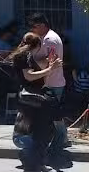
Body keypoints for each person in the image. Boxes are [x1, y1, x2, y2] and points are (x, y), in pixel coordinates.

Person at [9, 32, 63, 172]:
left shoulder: (27, 56)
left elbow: (39, 74)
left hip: (32, 97)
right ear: (38, 45)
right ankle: (31, 161)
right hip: (31, 99)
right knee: (39, 131)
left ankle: (36, 162)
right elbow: (29, 76)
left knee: (41, 130)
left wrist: (50, 65)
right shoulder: (24, 56)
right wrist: (50, 69)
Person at [29, 13, 68, 149]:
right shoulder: (46, 37)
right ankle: (60, 139)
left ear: (42, 25)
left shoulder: (50, 40)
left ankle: (61, 140)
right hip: (51, 81)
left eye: (34, 27)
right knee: (53, 114)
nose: (33, 30)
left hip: (52, 82)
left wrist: (32, 62)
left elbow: (50, 61)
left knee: (54, 115)